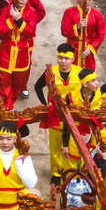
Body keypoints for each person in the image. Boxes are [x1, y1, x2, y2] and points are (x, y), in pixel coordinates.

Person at [34, 44, 86, 182]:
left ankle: (71, 172)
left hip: (74, 115)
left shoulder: (79, 72)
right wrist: (45, 105)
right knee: (56, 145)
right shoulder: (50, 72)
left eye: (66, 58)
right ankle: (56, 173)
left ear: (73, 59)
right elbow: (37, 87)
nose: (63, 61)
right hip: (55, 114)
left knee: (72, 145)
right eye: (60, 58)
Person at [0, 0, 40, 102]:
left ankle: (11, 102)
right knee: (3, 81)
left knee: (18, 82)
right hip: (5, 50)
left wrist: (19, 20)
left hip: (22, 51)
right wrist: (10, 21)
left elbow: (31, 32)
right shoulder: (4, 11)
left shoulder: (31, 12)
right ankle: (6, 107)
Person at [60, 0, 106, 70]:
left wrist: (90, 48)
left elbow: (101, 35)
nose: (87, 2)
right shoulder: (69, 12)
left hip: (87, 53)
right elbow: (64, 31)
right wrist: (77, 27)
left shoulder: (97, 15)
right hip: (72, 50)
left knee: (87, 77)